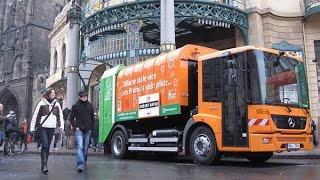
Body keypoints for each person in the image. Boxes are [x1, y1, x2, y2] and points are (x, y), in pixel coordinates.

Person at [30, 88, 64, 174]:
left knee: (48, 146)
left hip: (52, 127)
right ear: (48, 94)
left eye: (54, 92)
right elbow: (36, 116)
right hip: (43, 127)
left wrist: (61, 126)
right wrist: (32, 128)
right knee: (45, 145)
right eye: (51, 92)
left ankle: (44, 164)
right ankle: (44, 164)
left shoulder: (57, 104)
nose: (53, 94)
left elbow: (60, 115)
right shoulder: (41, 103)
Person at [69, 90, 95, 173]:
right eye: (83, 96)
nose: (85, 97)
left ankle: (82, 160)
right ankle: (81, 164)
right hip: (79, 129)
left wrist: (91, 129)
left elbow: (92, 119)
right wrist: (75, 127)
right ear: (79, 97)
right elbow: (71, 118)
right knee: (80, 146)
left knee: (85, 147)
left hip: (88, 129)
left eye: (86, 96)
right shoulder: (75, 106)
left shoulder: (90, 105)